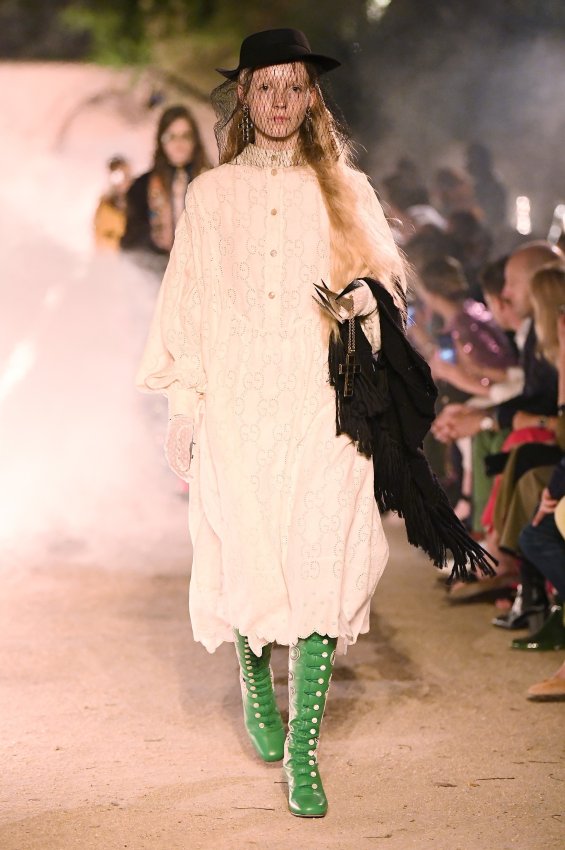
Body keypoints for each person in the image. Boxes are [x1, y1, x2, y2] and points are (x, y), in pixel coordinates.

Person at [136, 28, 493, 818]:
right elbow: (186, 305)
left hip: (325, 406)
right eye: (264, 86)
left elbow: (386, 293)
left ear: (310, 98)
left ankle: (303, 748)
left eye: (293, 86)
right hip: (237, 405)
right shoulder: (211, 196)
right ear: (243, 96)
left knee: (322, 554)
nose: (278, 101)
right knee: (249, 547)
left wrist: (364, 300)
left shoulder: (346, 189)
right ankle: (252, 672)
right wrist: (183, 408)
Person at [121, 104, 210, 266]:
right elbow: (132, 242)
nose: (178, 144)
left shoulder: (212, 182)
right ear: (161, 141)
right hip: (156, 271)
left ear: (195, 141)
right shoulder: (141, 187)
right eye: (171, 137)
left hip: (203, 269)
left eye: (186, 136)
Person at [93, 154, 132, 250]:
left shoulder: (138, 200)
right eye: (118, 175)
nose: (124, 180)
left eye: (126, 175)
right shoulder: (105, 205)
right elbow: (101, 236)